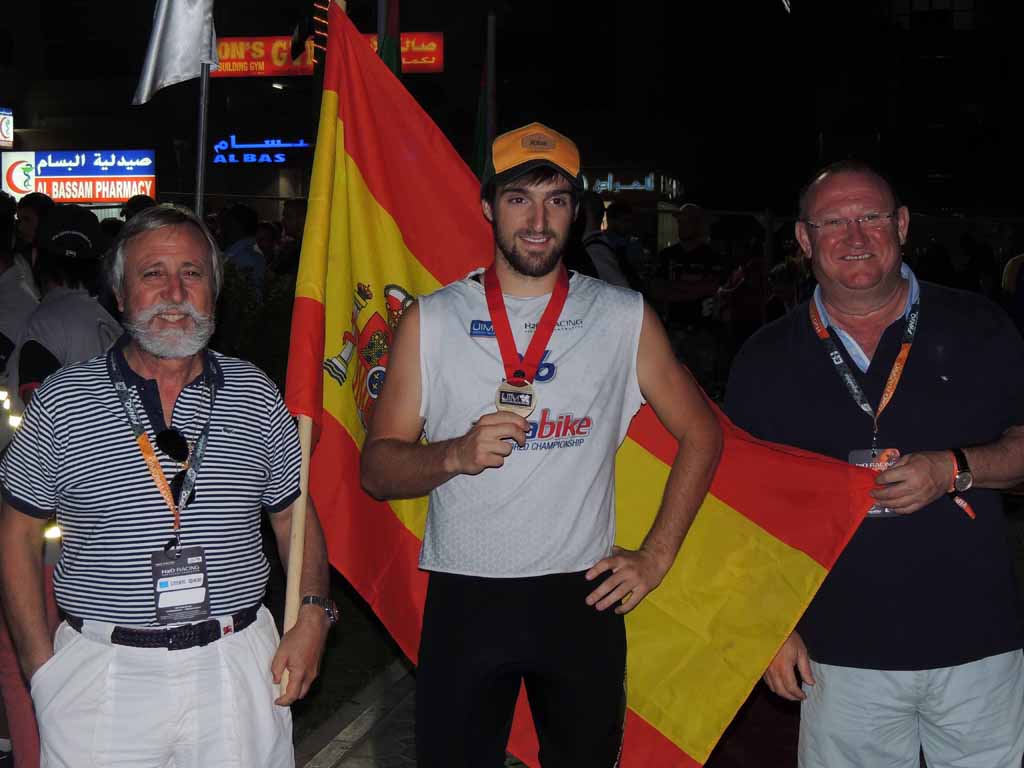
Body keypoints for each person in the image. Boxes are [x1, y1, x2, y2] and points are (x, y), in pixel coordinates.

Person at [361, 122, 722, 766]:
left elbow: (702, 432)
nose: (537, 219)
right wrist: (453, 454)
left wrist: (657, 557)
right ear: (486, 208)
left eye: (555, 200)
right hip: (467, 596)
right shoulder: (431, 319)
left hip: (580, 598)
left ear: (575, 214)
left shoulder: (622, 316)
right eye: (518, 198)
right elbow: (377, 468)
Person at [0, 204, 335, 768]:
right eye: (153, 274)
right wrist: (44, 673)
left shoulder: (256, 395)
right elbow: (16, 537)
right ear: (122, 295)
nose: (174, 292)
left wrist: (312, 615)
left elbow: (294, 517)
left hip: (237, 666)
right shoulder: (62, 401)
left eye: (192, 273)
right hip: (102, 678)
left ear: (214, 292)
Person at [725, 160, 1024, 768]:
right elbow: (742, 509)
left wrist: (955, 468)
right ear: (805, 240)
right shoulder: (765, 359)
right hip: (836, 653)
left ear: (903, 225)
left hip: (979, 646)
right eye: (832, 222)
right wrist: (768, 626)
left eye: (871, 217)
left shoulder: (982, 326)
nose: (854, 237)